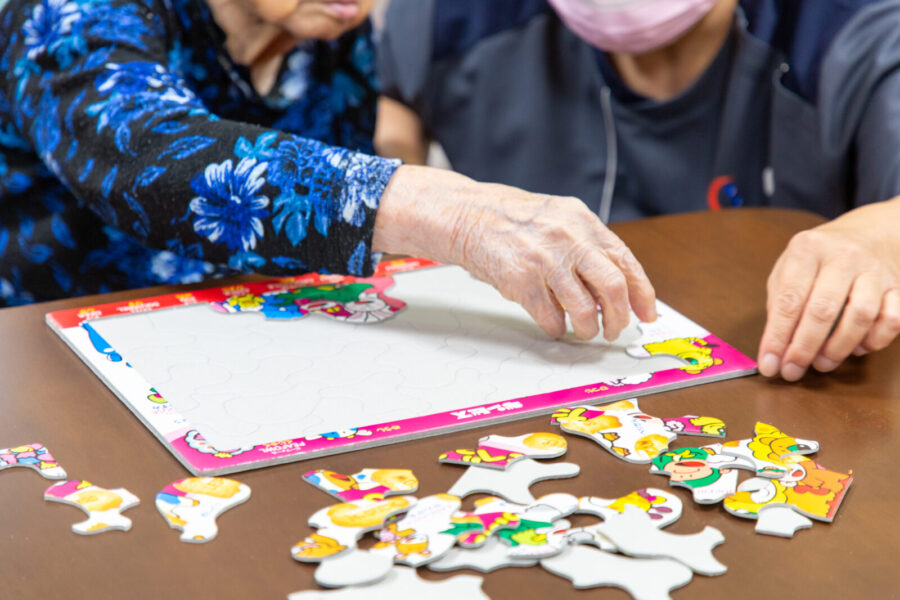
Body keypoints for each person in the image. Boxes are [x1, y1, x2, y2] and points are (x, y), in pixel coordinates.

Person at [0, 0, 658, 343]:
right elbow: (145, 155)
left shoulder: (332, 35)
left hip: (250, 345)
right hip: (62, 360)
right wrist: (455, 213)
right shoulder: (72, 13)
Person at [376, 0, 900, 381]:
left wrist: (881, 232)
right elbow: (387, 110)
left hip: (777, 383)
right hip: (507, 379)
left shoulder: (850, 31)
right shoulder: (453, 19)